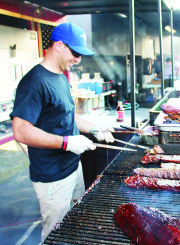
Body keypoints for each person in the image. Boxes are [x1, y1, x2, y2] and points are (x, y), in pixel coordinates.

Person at [10, 22, 115, 241]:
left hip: (72, 167)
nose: (78, 59)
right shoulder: (34, 83)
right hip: (52, 177)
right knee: (55, 235)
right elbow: (21, 131)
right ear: (58, 45)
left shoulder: (60, 77)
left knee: (74, 222)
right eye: (75, 53)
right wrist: (67, 142)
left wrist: (94, 127)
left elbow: (67, 115)